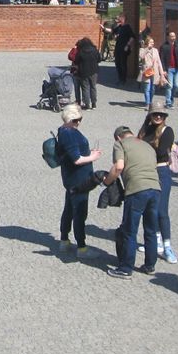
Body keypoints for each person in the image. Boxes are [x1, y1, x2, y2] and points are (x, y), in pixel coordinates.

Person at [102, 126, 161, 279]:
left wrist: (107, 181)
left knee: (130, 230)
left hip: (136, 189)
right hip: (155, 188)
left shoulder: (120, 144)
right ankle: (150, 265)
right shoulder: (147, 146)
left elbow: (119, 166)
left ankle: (126, 268)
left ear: (118, 137)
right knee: (150, 230)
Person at [55, 104, 103, 260]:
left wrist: (89, 153)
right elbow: (76, 159)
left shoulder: (64, 130)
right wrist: (92, 157)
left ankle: (64, 240)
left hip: (70, 178)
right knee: (80, 212)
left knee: (69, 208)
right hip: (78, 179)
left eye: (79, 120)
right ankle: (81, 247)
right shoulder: (69, 134)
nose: (79, 123)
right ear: (70, 120)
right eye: (76, 120)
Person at [138, 99, 178, 263]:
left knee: (162, 209)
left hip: (161, 170)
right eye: (155, 113)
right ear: (150, 115)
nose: (158, 116)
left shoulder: (167, 131)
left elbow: (162, 152)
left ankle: (167, 245)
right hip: (147, 170)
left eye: (161, 114)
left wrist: (145, 150)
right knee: (149, 209)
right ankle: (155, 241)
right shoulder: (145, 130)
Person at [70, 37, 100, 110]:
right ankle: (94, 104)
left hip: (84, 71)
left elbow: (76, 61)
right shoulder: (94, 50)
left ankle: (87, 105)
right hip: (94, 71)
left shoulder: (81, 51)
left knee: (85, 88)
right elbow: (99, 59)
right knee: (93, 87)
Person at [137, 35, 166, 108]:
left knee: (152, 88)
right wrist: (147, 49)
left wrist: (161, 73)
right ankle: (148, 103)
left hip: (154, 71)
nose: (152, 43)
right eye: (151, 42)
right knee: (147, 88)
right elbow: (141, 57)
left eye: (153, 42)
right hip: (146, 71)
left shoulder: (155, 50)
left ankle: (150, 100)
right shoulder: (142, 49)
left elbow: (159, 62)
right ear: (147, 43)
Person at [105, 16, 135, 84]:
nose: (119, 20)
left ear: (124, 19)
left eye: (120, 18)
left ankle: (123, 80)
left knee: (123, 63)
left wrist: (128, 45)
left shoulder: (127, 27)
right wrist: (104, 28)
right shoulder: (119, 27)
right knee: (117, 63)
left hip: (124, 48)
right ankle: (120, 78)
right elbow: (112, 31)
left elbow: (132, 37)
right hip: (118, 47)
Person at [159, 31, 178, 107]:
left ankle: (172, 99)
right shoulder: (164, 46)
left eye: (174, 36)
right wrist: (163, 70)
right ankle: (168, 102)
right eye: (171, 36)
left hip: (177, 68)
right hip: (168, 68)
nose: (173, 38)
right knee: (170, 86)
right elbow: (162, 58)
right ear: (168, 37)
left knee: (177, 85)